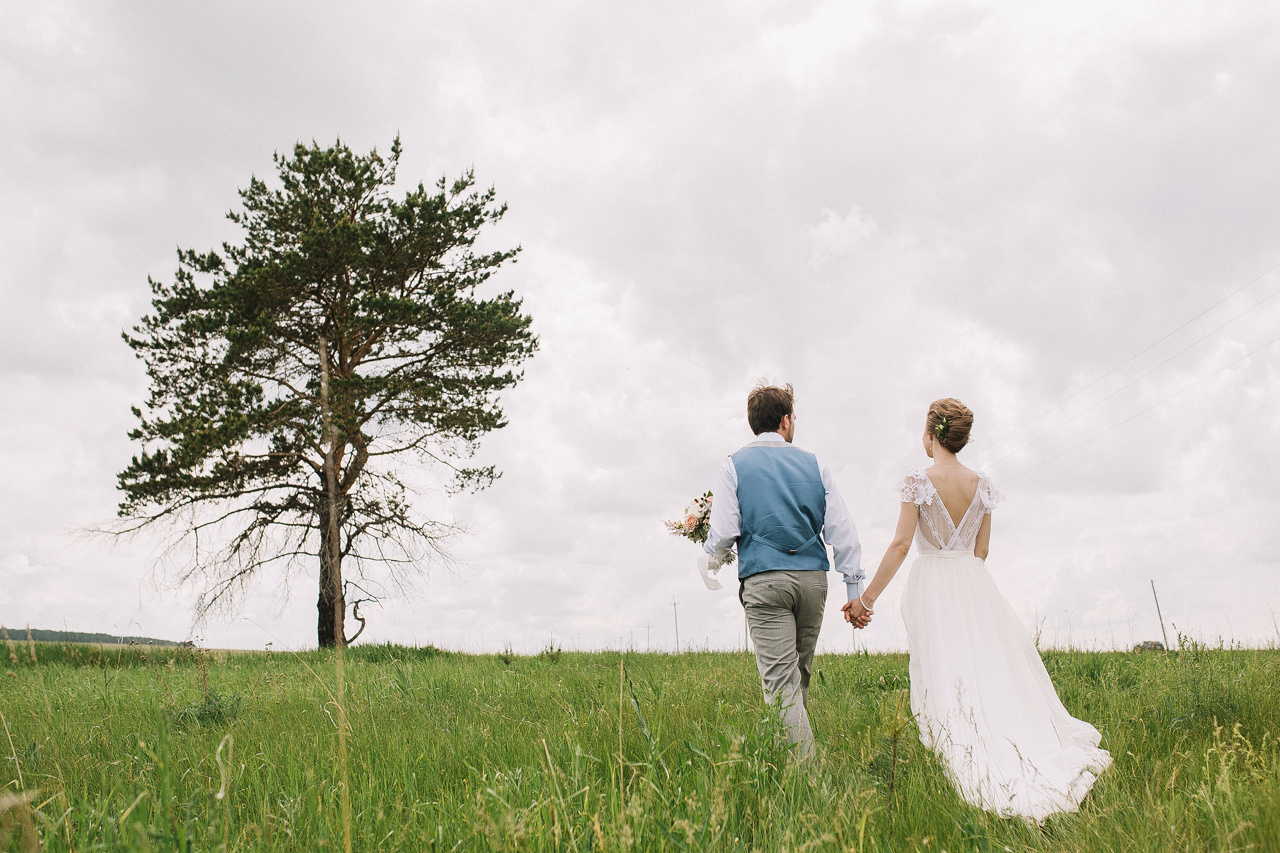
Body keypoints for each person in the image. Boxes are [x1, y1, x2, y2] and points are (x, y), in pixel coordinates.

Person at [842, 398, 1111, 821]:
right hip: (973, 583)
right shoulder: (982, 483)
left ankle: (964, 743)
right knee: (986, 665)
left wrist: (867, 598)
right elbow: (981, 550)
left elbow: (900, 544)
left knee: (946, 665)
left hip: (933, 582)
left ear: (931, 435)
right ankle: (1013, 738)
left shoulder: (917, 480)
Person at [703, 383, 868, 758]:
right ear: (785, 421)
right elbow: (842, 530)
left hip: (765, 580)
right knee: (798, 679)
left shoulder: (733, 464)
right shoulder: (815, 464)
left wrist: (710, 558)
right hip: (812, 582)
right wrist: (854, 590)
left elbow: (726, 530)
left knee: (781, 685)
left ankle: (809, 780)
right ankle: (797, 768)